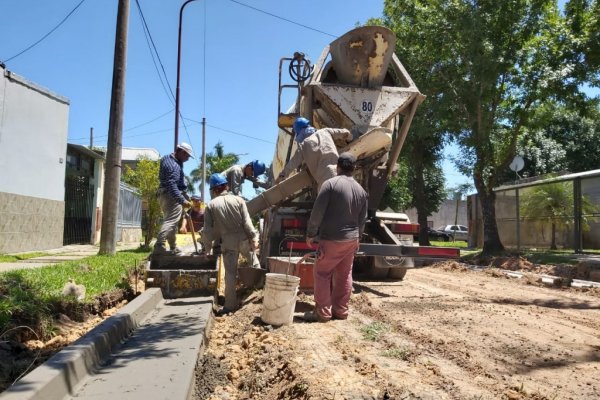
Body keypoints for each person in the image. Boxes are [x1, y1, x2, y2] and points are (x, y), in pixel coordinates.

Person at [303, 152, 368, 322]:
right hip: (352, 239)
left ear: (337, 167)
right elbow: (362, 219)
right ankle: (341, 311)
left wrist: (311, 233)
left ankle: (323, 312)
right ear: (354, 169)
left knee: (322, 272)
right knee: (345, 274)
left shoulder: (330, 184)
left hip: (332, 238)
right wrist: (358, 238)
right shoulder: (361, 191)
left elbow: (317, 212)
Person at [202, 173, 260, 314]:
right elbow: (247, 222)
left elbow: (208, 230)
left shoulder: (211, 205)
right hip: (243, 239)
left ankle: (229, 305)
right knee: (254, 263)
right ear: (226, 186)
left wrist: (207, 248)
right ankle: (259, 289)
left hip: (228, 242)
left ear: (214, 190)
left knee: (230, 274)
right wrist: (254, 238)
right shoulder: (239, 200)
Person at [275, 117, 352, 190]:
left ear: (300, 133)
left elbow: (292, 163)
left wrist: (281, 176)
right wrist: (350, 138)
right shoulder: (325, 131)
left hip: (325, 182)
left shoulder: (303, 146)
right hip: (341, 174)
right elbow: (345, 133)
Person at [153, 143, 194, 256]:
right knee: (171, 221)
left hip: (163, 194)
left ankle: (173, 246)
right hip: (171, 196)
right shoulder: (174, 166)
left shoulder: (167, 158)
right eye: (187, 156)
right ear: (182, 152)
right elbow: (172, 184)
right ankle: (159, 245)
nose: (187, 159)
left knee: (171, 222)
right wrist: (182, 200)